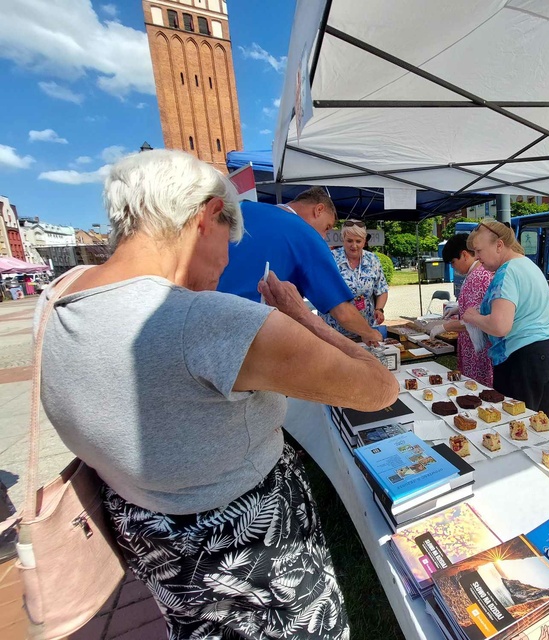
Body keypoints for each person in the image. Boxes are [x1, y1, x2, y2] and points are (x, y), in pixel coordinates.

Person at [37, 150, 398, 639]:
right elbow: (379, 388)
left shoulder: (57, 296)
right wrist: (304, 318)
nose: (227, 262)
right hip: (251, 547)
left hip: (149, 536)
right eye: (231, 240)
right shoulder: (209, 318)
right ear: (208, 216)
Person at [217, 188, 383, 345]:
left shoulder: (242, 208)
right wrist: (369, 332)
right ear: (319, 210)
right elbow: (342, 312)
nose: (324, 237)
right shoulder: (307, 235)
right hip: (251, 336)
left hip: (208, 315)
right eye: (327, 228)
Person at [462, 219, 549, 419]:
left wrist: (473, 317)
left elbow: (500, 326)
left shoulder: (506, 272)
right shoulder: (527, 265)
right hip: (548, 349)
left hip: (522, 356)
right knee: (542, 420)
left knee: (517, 421)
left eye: (479, 251)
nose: (477, 257)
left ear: (499, 245)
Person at [429, 233, 494, 386]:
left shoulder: (478, 276)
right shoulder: (475, 274)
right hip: (473, 346)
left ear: (464, 255)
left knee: (477, 390)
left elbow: (475, 319)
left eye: (453, 262)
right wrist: (458, 308)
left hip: (478, 350)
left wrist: (444, 327)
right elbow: (480, 305)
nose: (453, 268)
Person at [321, 220, 389, 338]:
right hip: (335, 330)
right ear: (343, 239)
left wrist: (379, 309)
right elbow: (324, 293)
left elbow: (381, 289)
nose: (354, 245)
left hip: (365, 330)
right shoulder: (331, 259)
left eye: (358, 241)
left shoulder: (373, 260)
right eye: (349, 241)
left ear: (364, 241)